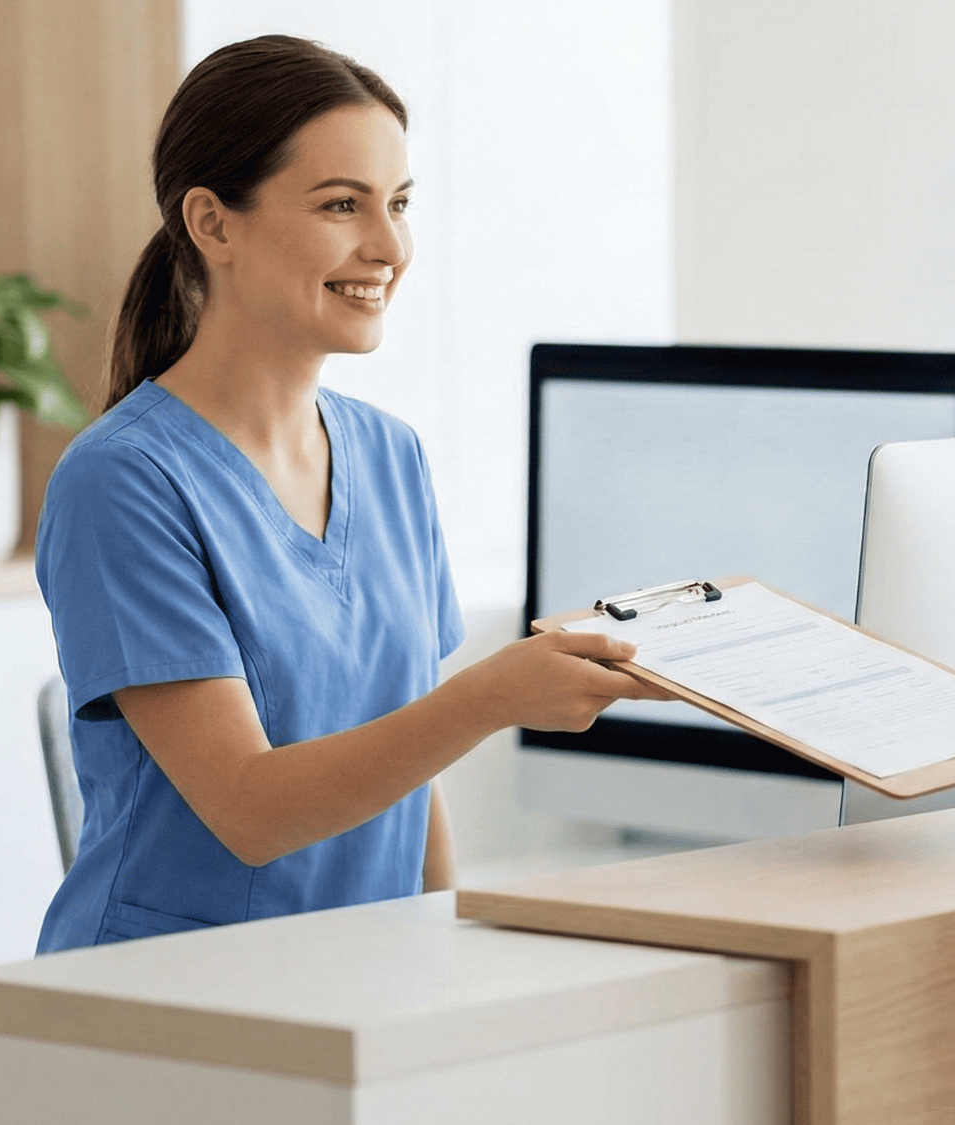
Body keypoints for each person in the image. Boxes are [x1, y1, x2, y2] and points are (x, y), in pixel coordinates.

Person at [33, 36, 663, 953]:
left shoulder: (389, 455)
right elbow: (249, 808)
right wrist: (490, 697)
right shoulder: (122, 482)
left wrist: (452, 951)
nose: (390, 247)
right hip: (169, 996)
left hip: (361, 977)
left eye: (400, 205)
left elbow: (412, 770)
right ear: (213, 224)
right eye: (342, 205)